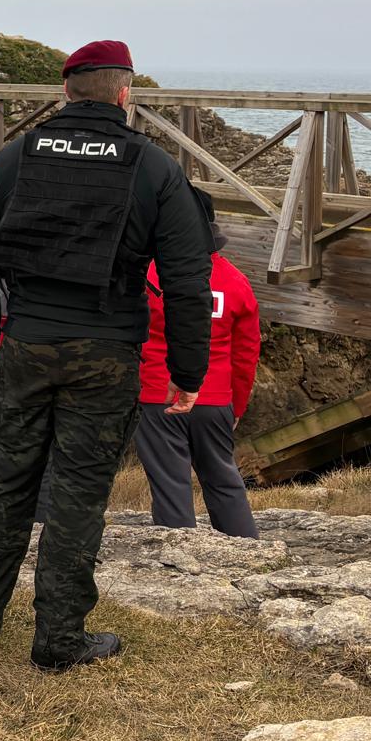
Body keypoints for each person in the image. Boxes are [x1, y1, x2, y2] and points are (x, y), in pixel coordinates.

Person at [0, 40, 213, 672]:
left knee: (7, 487)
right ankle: (58, 641)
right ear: (125, 94)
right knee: (77, 495)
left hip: (25, 346)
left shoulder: (15, 156)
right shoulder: (152, 167)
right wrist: (187, 373)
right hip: (106, 354)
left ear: (64, 92)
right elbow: (186, 278)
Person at [135, 194, 261, 537]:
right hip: (217, 396)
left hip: (158, 393)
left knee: (170, 482)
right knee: (223, 479)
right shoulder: (236, 281)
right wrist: (238, 404)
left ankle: (181, 559)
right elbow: (246, 353)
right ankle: (247, 549)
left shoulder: (149, 275)